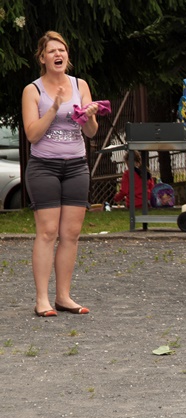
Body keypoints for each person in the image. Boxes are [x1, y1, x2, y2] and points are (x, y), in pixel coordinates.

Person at [22, 31, 99, 317]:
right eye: (52, 51)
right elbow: (32, 134)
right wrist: (54, 108)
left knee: (71, 233)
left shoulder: (80, 85)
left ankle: (63, 296)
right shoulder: (33, 90)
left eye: (62, 50)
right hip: (44, 167)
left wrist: (89, 116)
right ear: (42, 58)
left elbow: (91, 132)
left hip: (76, 165)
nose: (58, 54)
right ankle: (42, 299)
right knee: (47, 232)